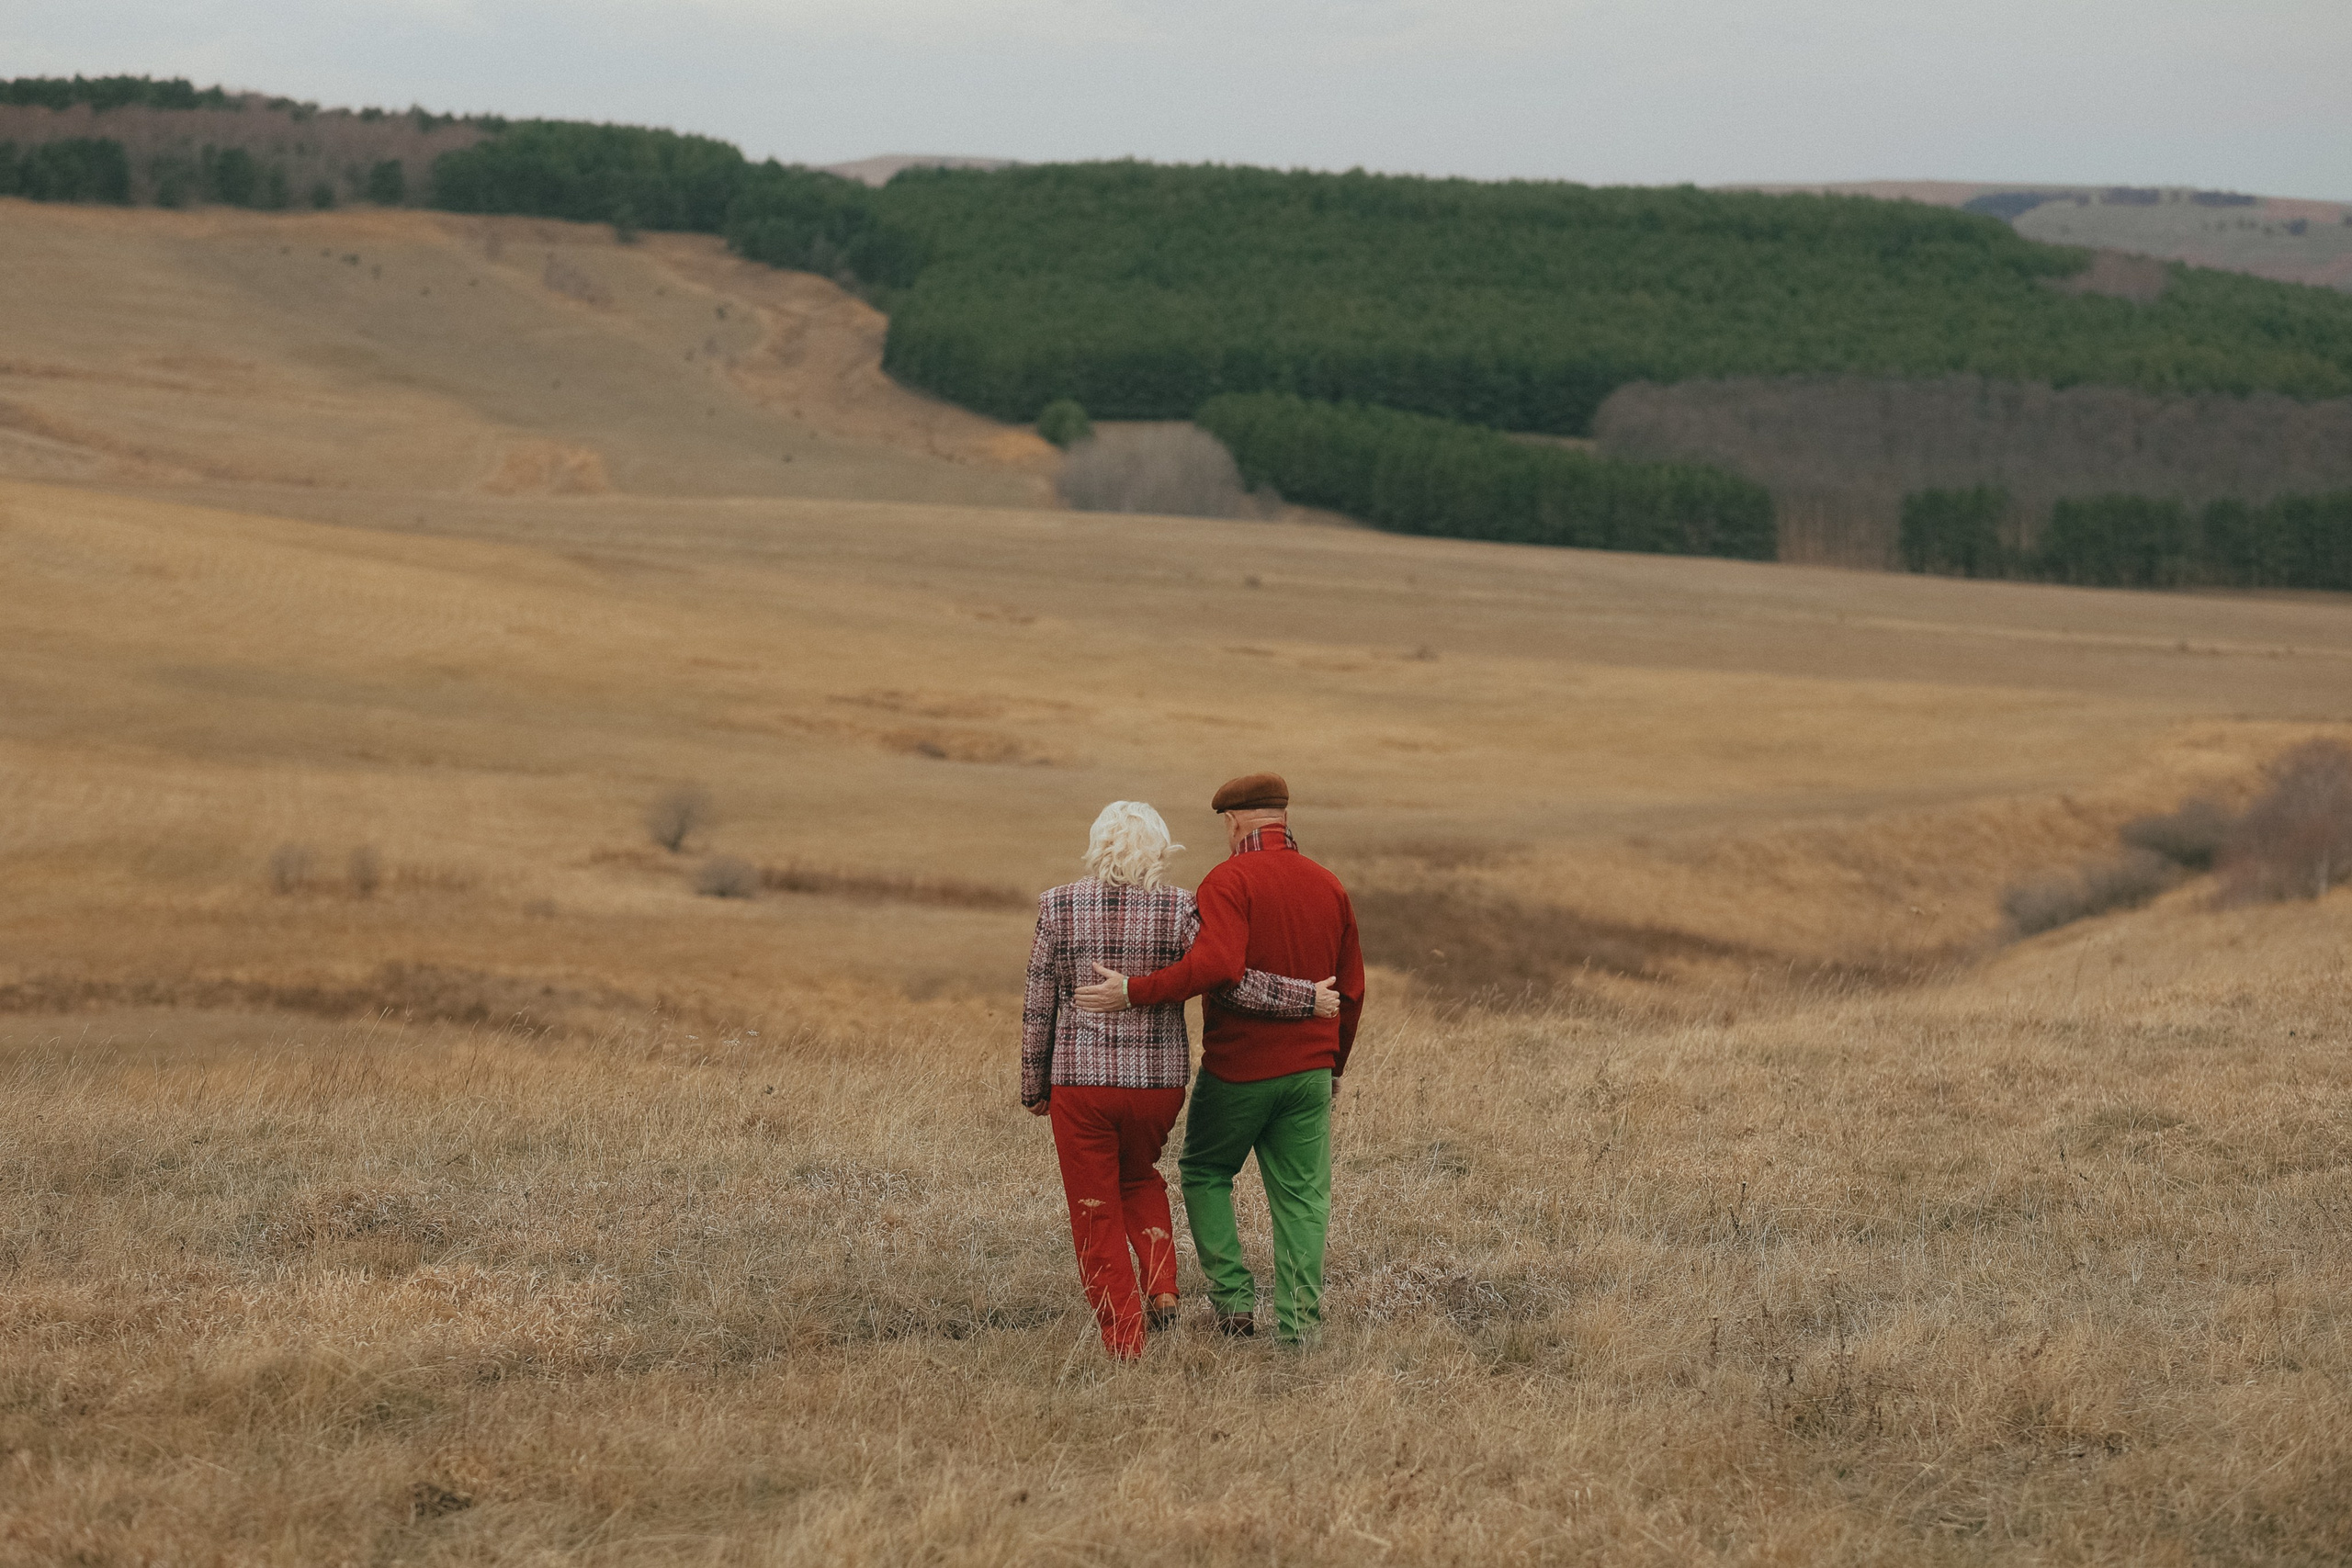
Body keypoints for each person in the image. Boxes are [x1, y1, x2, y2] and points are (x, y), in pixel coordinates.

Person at [1023, 799, 1340, 1361]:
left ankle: (1125, 1341)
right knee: (1139, 1175)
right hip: (1157, 1085)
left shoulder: (1057, 906)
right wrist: (1306, 998)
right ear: (1160, 850)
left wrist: (1034, 1085)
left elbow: (1038, 1006)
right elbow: (1230, 982)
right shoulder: (1179, 910)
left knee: (1094, 1205)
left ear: (1097, 844)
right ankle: (1163, 1286)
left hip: (1082, 1083)